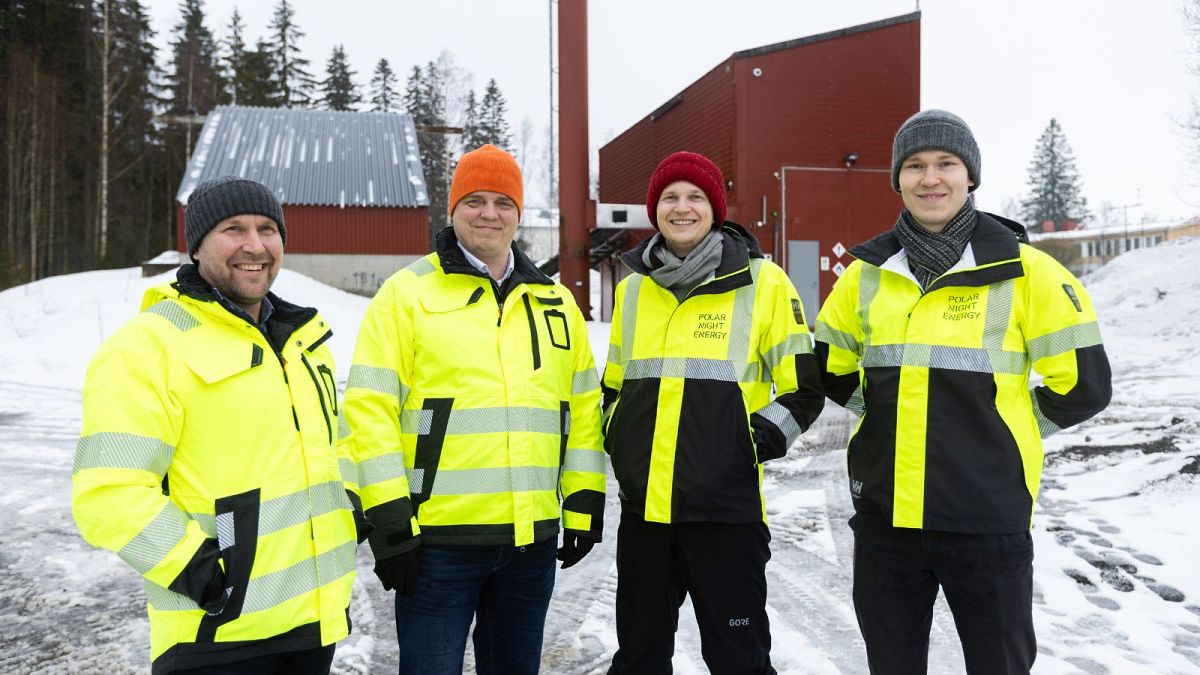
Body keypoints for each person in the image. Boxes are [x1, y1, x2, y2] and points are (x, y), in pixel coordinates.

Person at [813, 110, 1113, 674]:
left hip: (988, 520)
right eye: (915, 166)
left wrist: (1006, 426)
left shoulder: (1029, 271)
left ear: (969, 176)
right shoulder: (866, 274)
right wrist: (884, 415)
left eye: (946, 164)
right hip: (887, 521)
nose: (931, 179)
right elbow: (831, 369)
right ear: (898, 180)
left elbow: (1086, 387)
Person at [71, 176, 365, 674]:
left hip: (312, 624)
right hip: (214, 638)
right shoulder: (148, 347)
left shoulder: (300, 342)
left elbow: (332, 445)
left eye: (267, 229)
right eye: (234, 229)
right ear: (197, 245)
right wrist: (200, 572)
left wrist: (349, 504)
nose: (255, 245)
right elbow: (107, 491)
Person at [344, 143, 606, 674]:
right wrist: (390, 522)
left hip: (530, 544)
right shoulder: (407, 295)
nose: (489, 213)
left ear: (518, 213)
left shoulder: (554, 303)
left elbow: (579, 411)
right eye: (475, 200)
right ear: (453, 209)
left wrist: (583, 501)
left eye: (503, 202)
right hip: (437, 545)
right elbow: (368, 412)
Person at [602, 151, 825, 674]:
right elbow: (613, 387)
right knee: (638, 659)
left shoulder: (763, 284)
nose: (682, 207)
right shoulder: (633, 288)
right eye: (670, 198)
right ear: (655, 210)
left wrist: (744, 446)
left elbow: (803, 391)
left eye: (695, 196)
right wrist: (621, 437)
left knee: (738, 661)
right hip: (645, 517)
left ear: (715, 208)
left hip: (727, 517)